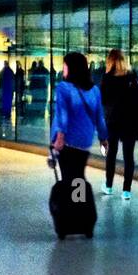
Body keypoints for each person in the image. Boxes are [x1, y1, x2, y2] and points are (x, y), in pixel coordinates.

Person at [52, 51, 108, 191]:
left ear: (71, 67)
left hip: (68, 141)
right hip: (85, 142)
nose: (63, 68)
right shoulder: (94, 90)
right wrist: (103, 138)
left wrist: (59, 137)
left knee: (69, 177)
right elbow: (100, 117)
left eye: (65, 65)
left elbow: (62, 115)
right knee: (78, 175)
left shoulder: (63, 88)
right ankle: (79, 204)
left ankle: (74, 208)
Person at [99, 48, 138, 200]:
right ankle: (126, 190)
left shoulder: (107, 78)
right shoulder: (132, 76)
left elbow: (103, 100)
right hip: (130, 122)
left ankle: (108, 186)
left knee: (111, 154)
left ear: (110, 61)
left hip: (112, 121)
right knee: (128, 156)